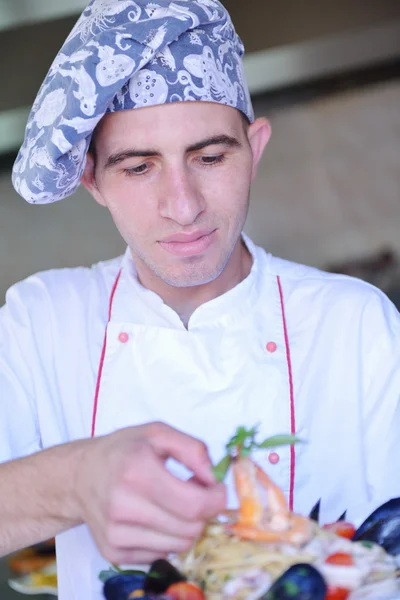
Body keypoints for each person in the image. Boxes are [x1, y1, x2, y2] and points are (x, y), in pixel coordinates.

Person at [1, 0, 400, 598]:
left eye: (210, 157)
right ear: (93, 180)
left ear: (255, 148)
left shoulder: (356, 322)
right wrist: (73, 481)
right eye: (138, 168)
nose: (183, 205)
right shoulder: (43, 323)